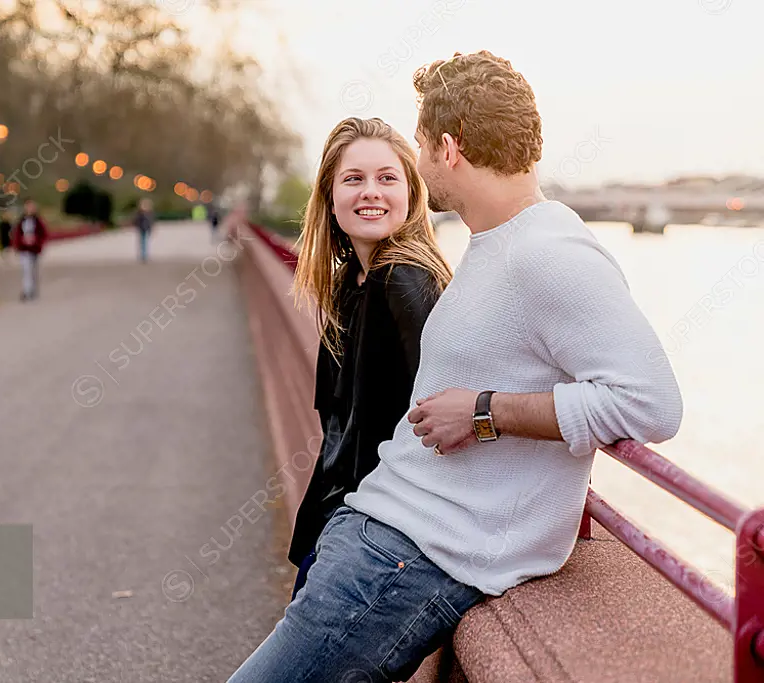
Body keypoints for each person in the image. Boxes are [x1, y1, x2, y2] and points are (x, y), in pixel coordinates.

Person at [227, 50, 683, 683]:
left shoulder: (553, 254)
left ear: (448, 147)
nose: (413, 165)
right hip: (377, 538)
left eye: (415, 146)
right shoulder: (493, 245)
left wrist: (485, 411)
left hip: (405, 561)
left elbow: (650, 403)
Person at [286, 117, 454, 602]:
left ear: (410, 192)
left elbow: (434, 419)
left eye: (387, 178)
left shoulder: (403, 280)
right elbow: (340, 432)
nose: (370, 192)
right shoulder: (349, 284)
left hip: (376, 535)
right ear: (330, 195)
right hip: (339, 521)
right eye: (353, 179)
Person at [10, 198, 48, 301]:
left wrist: (36, 241)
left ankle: (33, 290)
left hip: (34, 250)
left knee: (33, 271)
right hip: (24, 249)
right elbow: (16, 235)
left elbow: (43, 234)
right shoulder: (21, 221)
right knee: (26, 271)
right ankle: (27, 291)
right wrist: (19, 244)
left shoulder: (38, 221)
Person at [134, 198, 155, 263]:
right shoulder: (140, 213)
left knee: (144, 242)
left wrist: (151, 228)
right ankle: (143, 256)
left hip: (146, 229)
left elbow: (151, 222)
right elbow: (136, 221)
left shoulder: (149, 213)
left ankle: (144, 255)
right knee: (143, 242)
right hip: (141, 229)